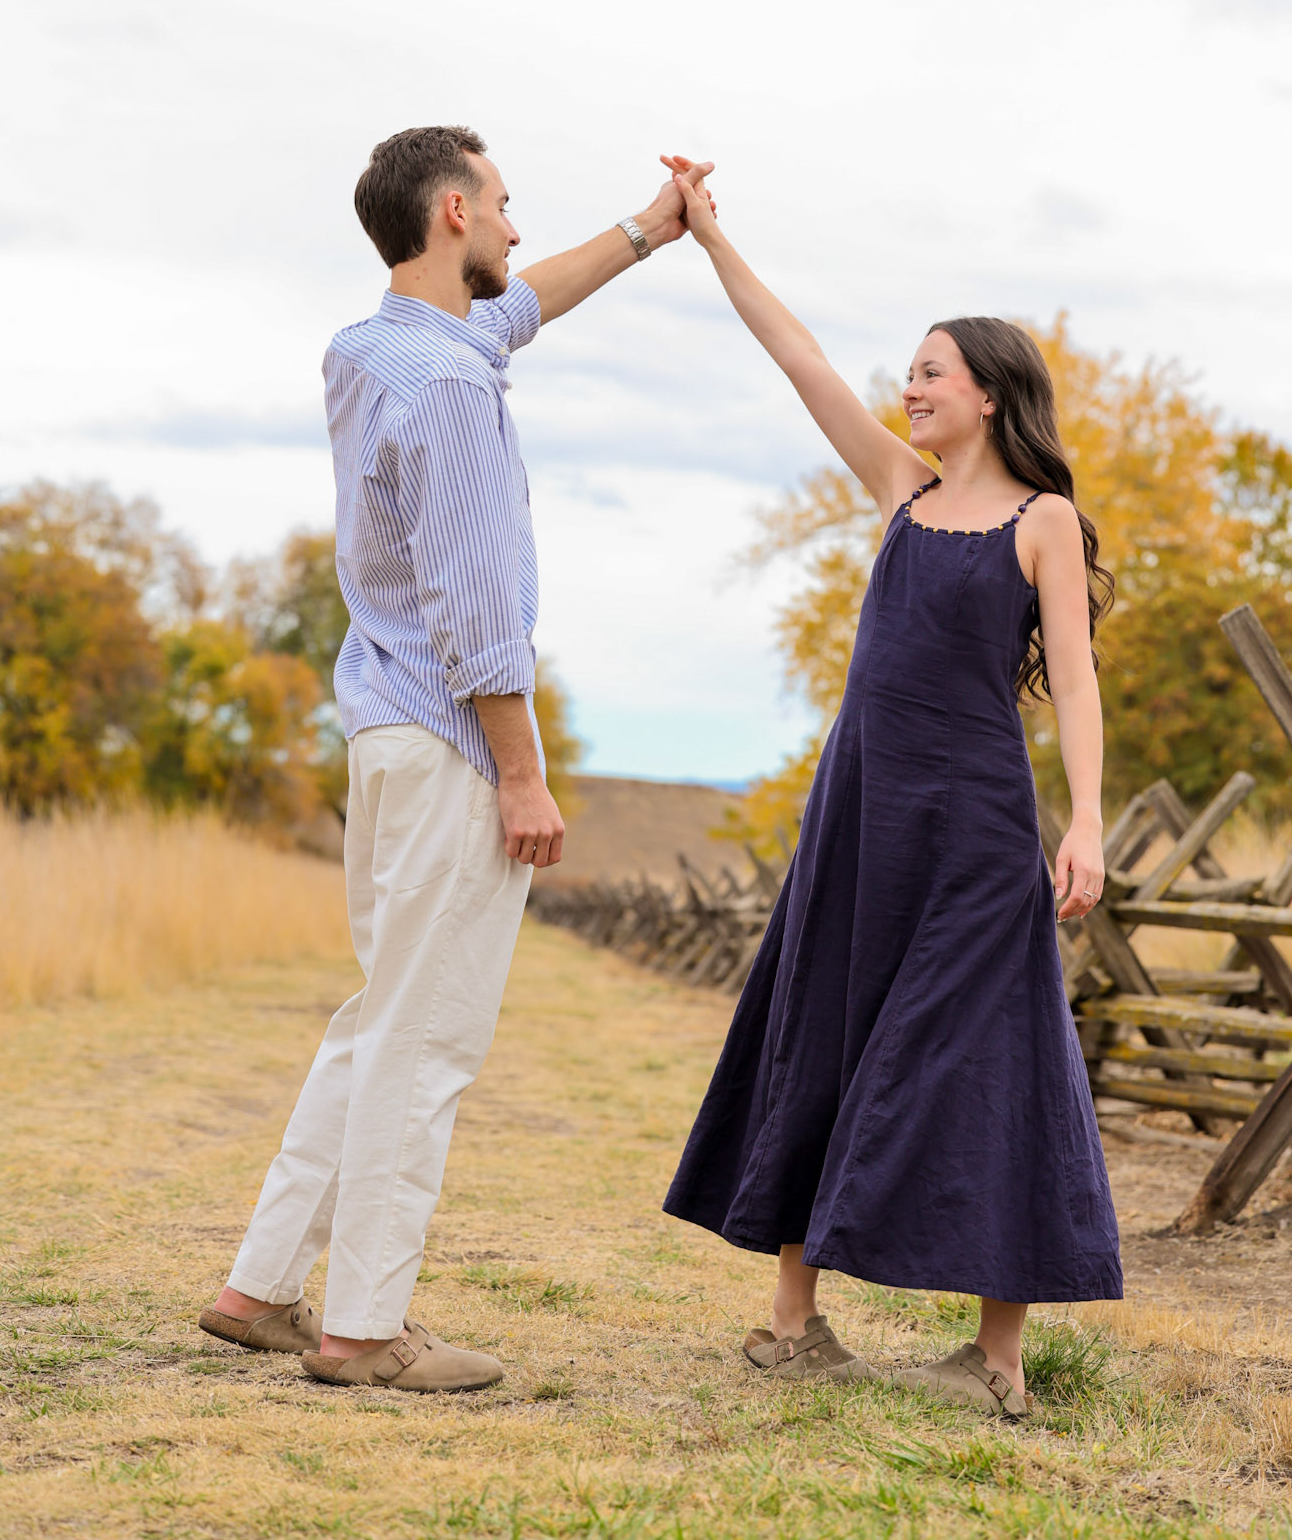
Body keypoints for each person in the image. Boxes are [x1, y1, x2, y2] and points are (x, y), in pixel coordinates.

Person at [199, 126, 712, 1394]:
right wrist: (522, 773)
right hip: (448, 741)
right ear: (451, 212)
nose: (517, 230)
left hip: (384, 730)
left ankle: (259, 1285)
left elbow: (522, 305)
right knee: (425, 1040)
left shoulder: (374, 349)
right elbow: (480, 613)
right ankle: (365, 1328)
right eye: (502, 204)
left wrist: (649, 230)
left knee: (380, 1014)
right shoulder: (452, 391)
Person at [660, 156, 1122, 1420]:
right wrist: (710, 238)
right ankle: (792, 1324)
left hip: (977, 829)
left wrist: (1086, 819)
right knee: (825, 1022)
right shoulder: (900, 490)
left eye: (930, 371)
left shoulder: (1044, 520)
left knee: (991, 1054)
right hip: (862, 810)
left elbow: (1076, 682)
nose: (908, 388)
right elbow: (797, 355)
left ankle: (997, 1359)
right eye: (909, 371)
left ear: (990, 392)